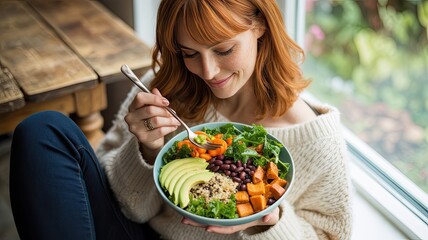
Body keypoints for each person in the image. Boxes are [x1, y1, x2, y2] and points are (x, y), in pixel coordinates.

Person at [9, 0, 352, 239]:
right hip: (134, 232)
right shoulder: (168, 88)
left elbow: (328, 235)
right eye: (189, 53)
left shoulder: (316, 140)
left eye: (223, 49)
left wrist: (269, 223)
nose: (207, 71)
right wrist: (147, 151)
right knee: (42, 130)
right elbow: (123, 205)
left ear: (260, 25)